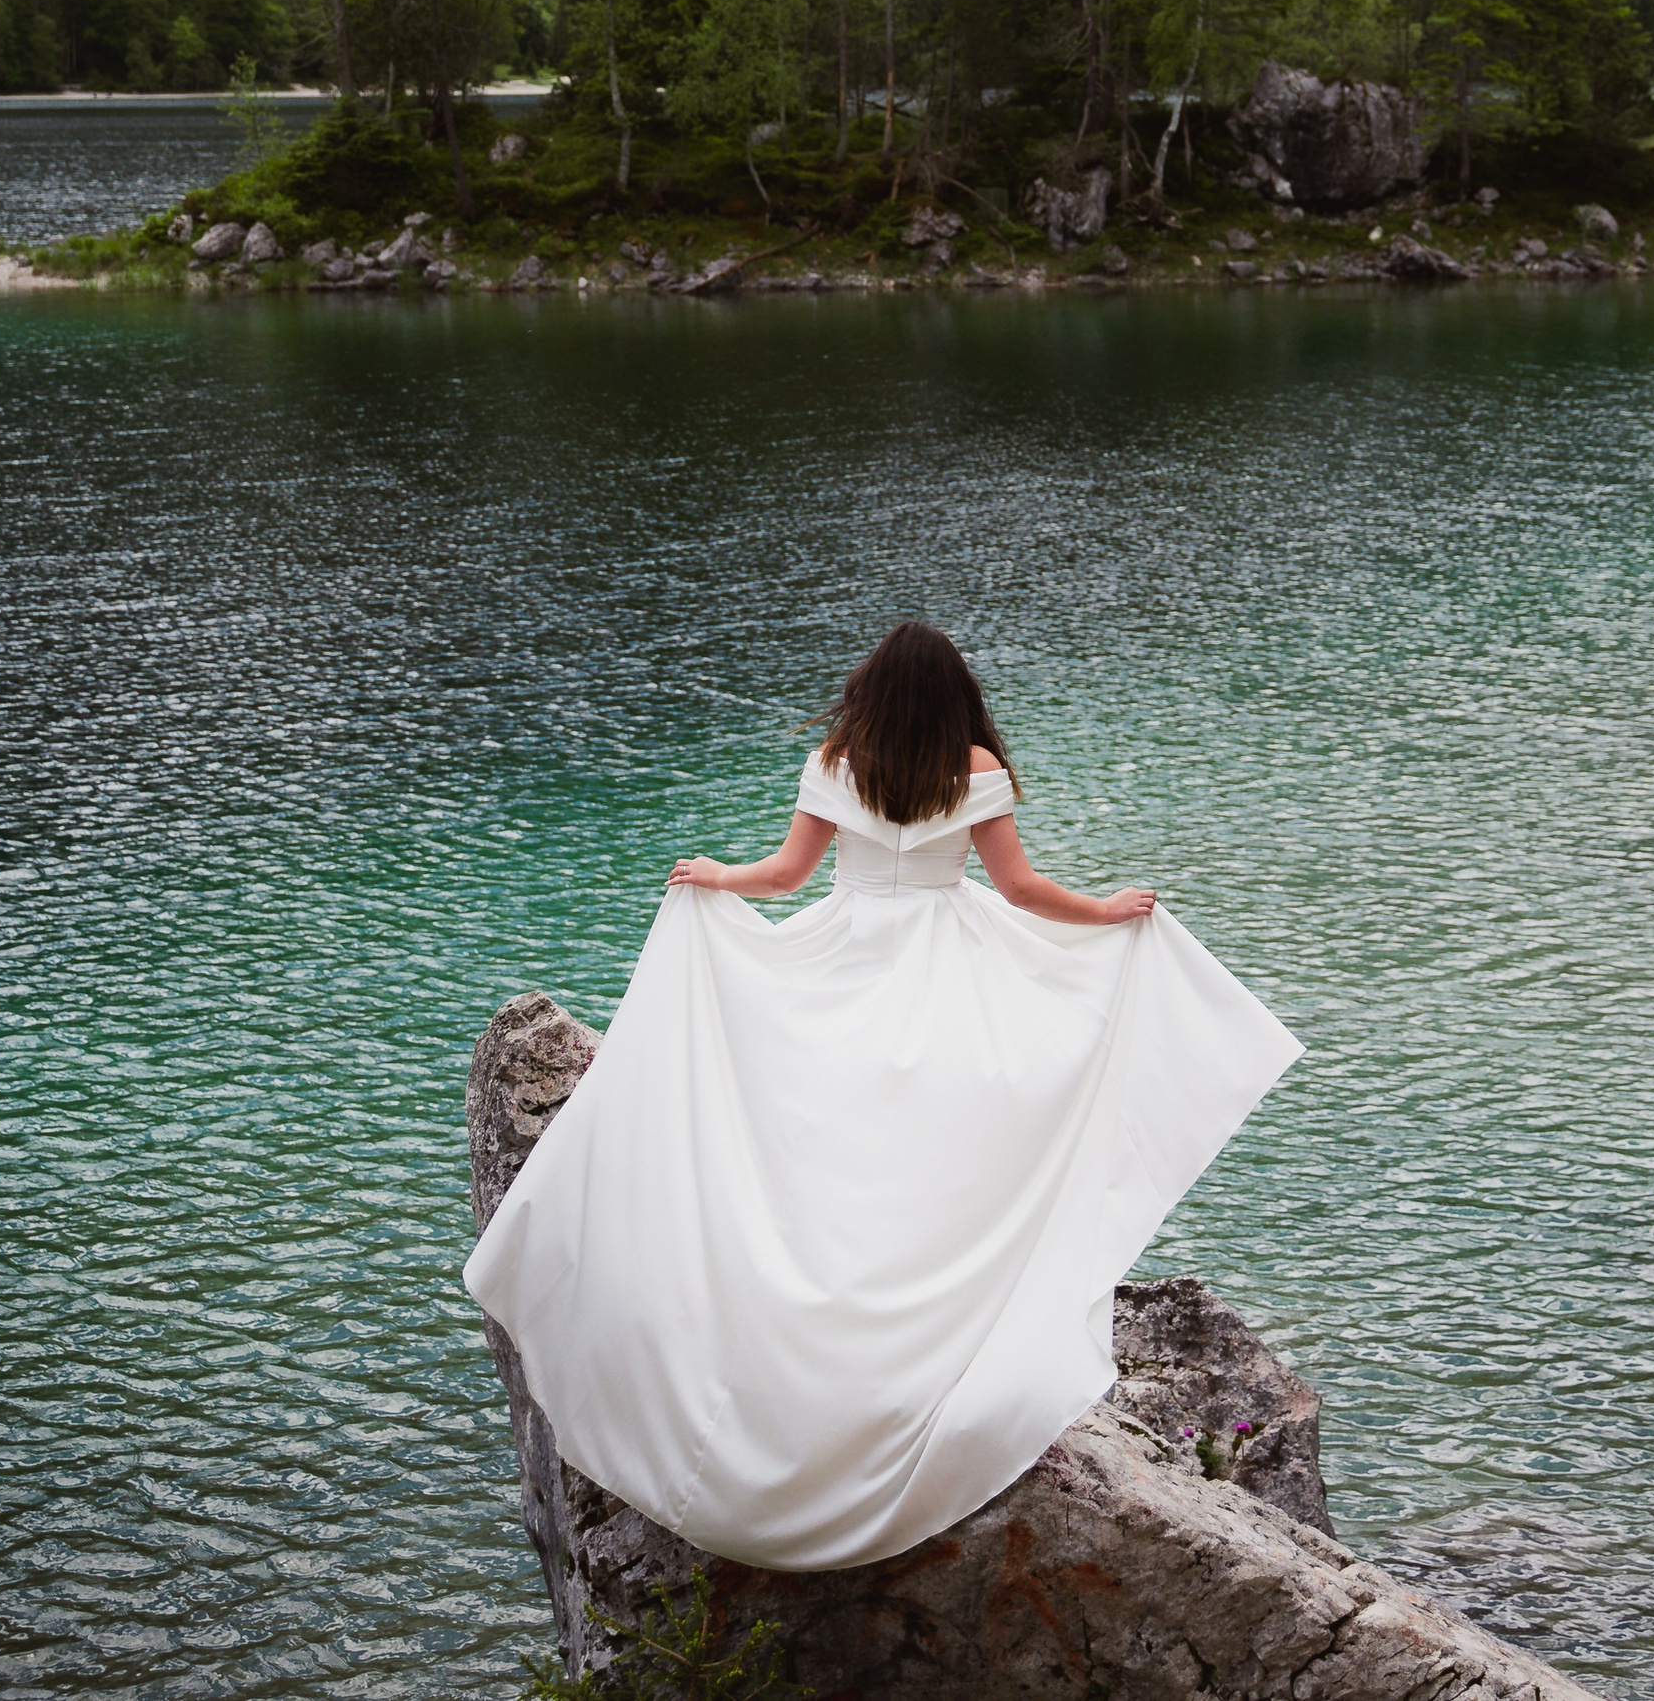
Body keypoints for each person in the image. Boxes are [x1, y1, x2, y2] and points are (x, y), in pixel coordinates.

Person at [464, 620, 1299, 1570]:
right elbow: (1020, 890)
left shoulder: (839, 757)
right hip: (951, 962)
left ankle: (819, 1307)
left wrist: (714, 880)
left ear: (870, 691)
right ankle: (932, 1311)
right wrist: (1106, 912)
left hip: (849, 950)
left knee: (830, 1129)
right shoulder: (974, 764)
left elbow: (785, 877)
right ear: (954, 696)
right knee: (938, 1139)